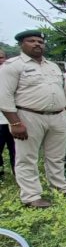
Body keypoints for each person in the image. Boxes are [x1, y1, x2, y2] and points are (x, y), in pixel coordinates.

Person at [0, 30, 66, 208]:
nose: (37, 44)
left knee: (57, 156)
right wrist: (15, 122)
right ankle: (31, 196)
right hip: (29, 115)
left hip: (58, 115)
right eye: (31, 41)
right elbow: (4, 96)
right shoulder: (12, 66)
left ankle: (60, 188)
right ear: (22, 44)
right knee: (27, 157)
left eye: (40, 41)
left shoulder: (52, 66)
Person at [0, 49, 15, 181]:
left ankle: (19, 176)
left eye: (1, 57)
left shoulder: (13, 75)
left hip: (13, 120)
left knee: (16, 151)